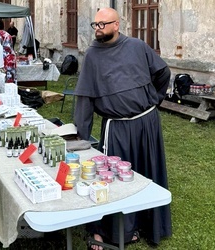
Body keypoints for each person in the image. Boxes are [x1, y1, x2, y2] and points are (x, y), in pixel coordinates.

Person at [73, 8, 172, 249]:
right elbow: (85, 98)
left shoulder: (137, 46)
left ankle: (148, 226)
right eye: (95, 24)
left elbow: (163, 72)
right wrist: (81, 138)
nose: (98, 29)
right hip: (116, 128)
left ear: (117, 25)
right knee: (113, 179)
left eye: (103, 24)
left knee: (148, 173)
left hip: (146, 123)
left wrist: (153, 99)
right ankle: (107, 231)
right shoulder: (93, 56)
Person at [0, 18, 16, 83]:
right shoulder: (7, 34)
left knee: (4, 79)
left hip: (4, 58)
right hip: (11, 57)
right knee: (11, 78)